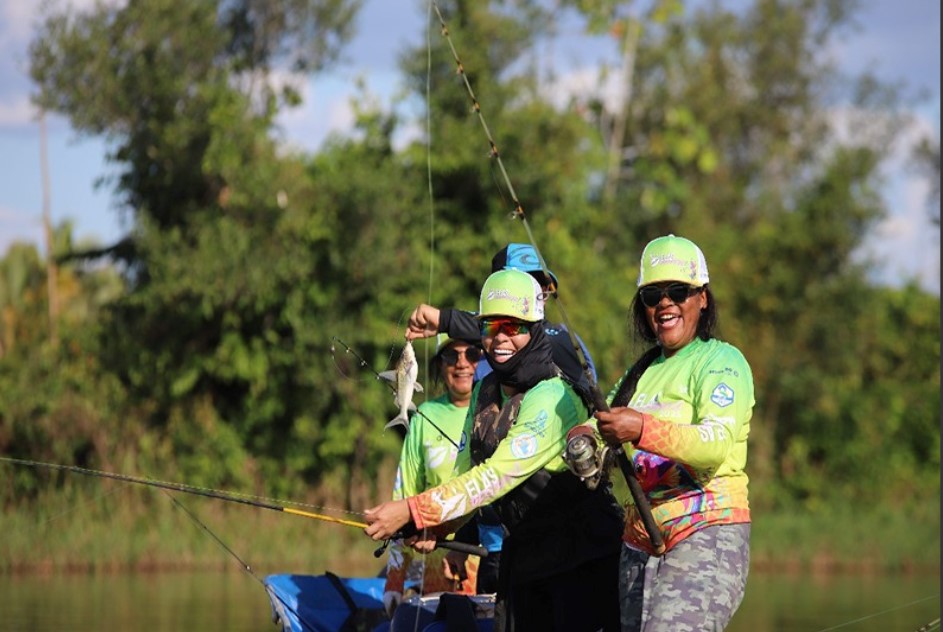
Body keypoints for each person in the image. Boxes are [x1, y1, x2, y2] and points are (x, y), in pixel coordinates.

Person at [365, 269, 623, 632]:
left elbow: (495, 476)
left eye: (512, 327)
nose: (499, 338)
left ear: (534, 330)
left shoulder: (553, 398)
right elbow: (467, 469)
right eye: (489, 327)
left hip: (581, 557)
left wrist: (413, 509)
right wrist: (441, 526)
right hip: (525, 556)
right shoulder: (486, 389)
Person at [567, 234, 753, 631]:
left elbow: (714, 444)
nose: (665, 302)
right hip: (639, 543)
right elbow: (602, 423)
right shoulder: (641, 372)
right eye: (653, 294)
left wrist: (641, 427)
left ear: (702, 298)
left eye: (678, 291)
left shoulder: (723, 361)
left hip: (705, 533)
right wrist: (581, 437)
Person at [382, 335, 483, 617]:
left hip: (487, 561)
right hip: (434, 561)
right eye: (451, 357)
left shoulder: (496, 411)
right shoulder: (424, 415)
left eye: (472, 354)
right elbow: (405, 496)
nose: (462, 363)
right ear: (439, 365)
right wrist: (395, 578)